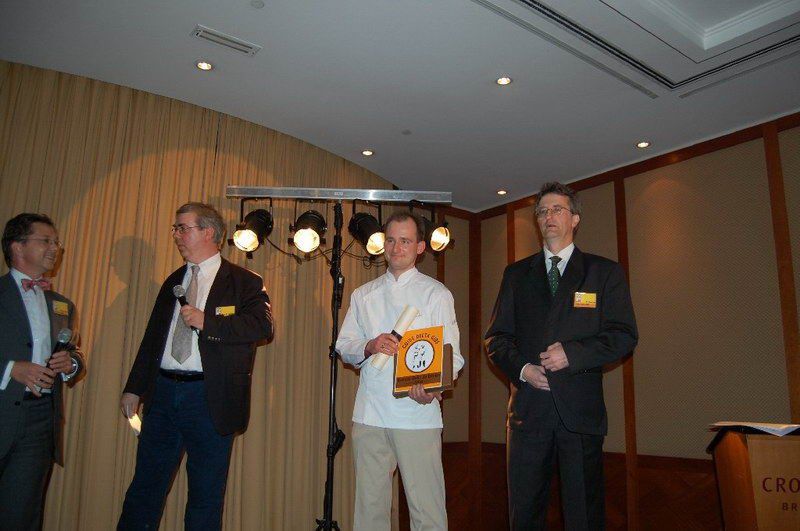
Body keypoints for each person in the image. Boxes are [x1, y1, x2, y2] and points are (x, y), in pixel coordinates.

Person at [485, 182, 638, 530]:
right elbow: (496, 339)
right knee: (524, 515)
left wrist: (573, 354)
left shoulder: (603, 272)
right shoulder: (516, 274)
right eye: (542, 211)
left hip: (580, 414)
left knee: (584, 516)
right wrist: (523, 369)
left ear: (575, 219)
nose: (548, 216)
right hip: (528, 414)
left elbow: (624, 335)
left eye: (557, 209)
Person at [117, 202, 273, 530]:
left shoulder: (245, 281)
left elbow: (262, 327)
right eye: (175, 229)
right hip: (162, 394)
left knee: (205, 496)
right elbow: (153, 338)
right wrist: (134, 387)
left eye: (183, 228)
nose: (176, 235)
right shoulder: (174, 281)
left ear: (208, 232)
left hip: (210, 398)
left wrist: (208, 322)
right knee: (144, 488)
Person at [337, 211, 464, 531]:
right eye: (391, 240)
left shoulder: (436, 294)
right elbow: (344, 345)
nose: (396, 248)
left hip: (417, 414)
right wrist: (369, 345)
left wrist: (433, 389)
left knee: (427, 510)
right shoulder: (363, 294)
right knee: (370, 509)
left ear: (420, 247)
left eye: (405, 241)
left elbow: (453, 357)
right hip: (370, 414)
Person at [0, 213, 86, 530]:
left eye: (56, 242)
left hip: (39, 419)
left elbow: (73, 353)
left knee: (22, 515)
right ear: (17, 246)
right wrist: (10, 369)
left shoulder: (62, 305)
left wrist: (71, 364)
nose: (55, 248)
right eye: (46, 241)